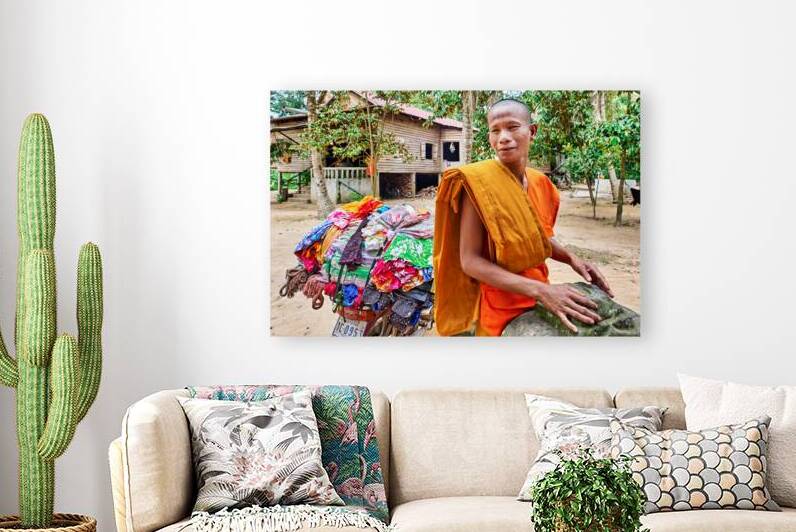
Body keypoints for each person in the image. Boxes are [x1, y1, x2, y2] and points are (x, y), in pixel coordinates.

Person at [433, 98, 613, 336]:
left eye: (512, 127)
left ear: (532, 131)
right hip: (501, 306)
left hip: (541, 294)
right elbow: (470, 261)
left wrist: (571, 258)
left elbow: (534, 239)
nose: (503, 137)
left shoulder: (542, 184)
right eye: (495, 130)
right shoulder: (479, 185)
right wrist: (541, 291)